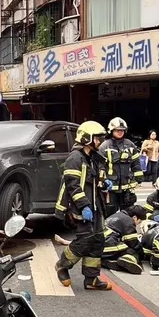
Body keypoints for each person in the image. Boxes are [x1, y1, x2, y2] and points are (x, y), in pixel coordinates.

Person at [54, 120, 114, 291]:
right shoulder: (75, 158)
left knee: (97, 240)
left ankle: (91, 279)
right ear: (86, 138)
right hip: (79, 208)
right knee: (85, 240)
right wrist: (84, 206)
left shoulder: (93, 158)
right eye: (97, 138)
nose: (99, 141)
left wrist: (104, 183)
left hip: (95, 207)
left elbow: (95, 180)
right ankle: (62, 265)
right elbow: (73, 185)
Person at [98, 117, 143, 216]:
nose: (120, 132)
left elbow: (136, 163)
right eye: (118, 130)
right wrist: (103, 180)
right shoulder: (104, 146)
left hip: (127, 187)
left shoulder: (130, 145)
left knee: (128, 213)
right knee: (109, 213)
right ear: (111, 130)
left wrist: (139, 177)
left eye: (122, 130)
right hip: (110, 188)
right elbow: (100, 166)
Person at [101, 205, 147, 274]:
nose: (138, 225)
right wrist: (142, 254)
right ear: (135, 217)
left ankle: (108, 261)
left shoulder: (117, 215)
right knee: (132, 251)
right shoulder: (128, 221)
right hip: (107, 244)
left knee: (123, 246)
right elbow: (133, 243)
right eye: (139, 222)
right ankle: (128, 260)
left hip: (99, 245)